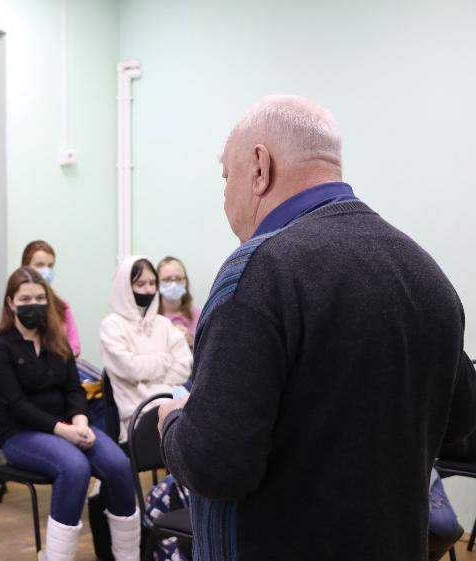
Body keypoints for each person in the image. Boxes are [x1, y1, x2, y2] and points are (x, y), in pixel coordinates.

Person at [157, 95, 476, 561]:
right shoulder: (424, 272)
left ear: (260, 167)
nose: (225, 196)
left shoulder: (258, 272)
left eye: (226, 177)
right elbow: (459, 420)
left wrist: (173, 421)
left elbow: (215, 465)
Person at [0, 267, 139, 561]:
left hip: (69, 427)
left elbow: (74, 390)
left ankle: (128, 556)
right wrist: (63, 430)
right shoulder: (0, 349)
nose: (33, 305)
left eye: (39, 298)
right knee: (75, 467)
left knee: (119, 465)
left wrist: (80, 419)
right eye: (25, 299)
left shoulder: (58, 341)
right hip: (21, 434)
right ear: (10, 303)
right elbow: (16, 405)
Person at [99, 256, 192, 438]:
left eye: (152, 283)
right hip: (138, 415)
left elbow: (183, 366)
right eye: (140, 284)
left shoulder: (163, 324)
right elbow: (131, 368)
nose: (148, 289)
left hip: (173, 406)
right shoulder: (112, 325)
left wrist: (146, 381)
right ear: (125, 287)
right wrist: (165, 359)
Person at [21, 240, 81, 356]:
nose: (47, 271)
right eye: (40, 265)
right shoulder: (18, 306)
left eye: (50, 266)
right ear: (26, 267)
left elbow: (75, 345)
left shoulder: (61, 306)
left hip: (63, 362)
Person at [156, 256, 201, 349]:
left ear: (185, 281)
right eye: (167, 279)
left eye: (179, 279)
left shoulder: (198, 314)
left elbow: (208, 349)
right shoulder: (150, 316)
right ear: (157, 283)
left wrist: (192, 341)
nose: (174, 284)